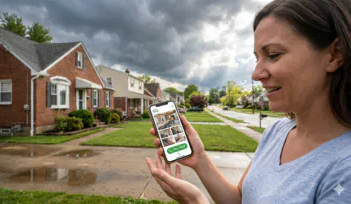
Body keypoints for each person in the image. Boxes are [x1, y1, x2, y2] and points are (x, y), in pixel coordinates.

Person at [146, 0, 351, 203]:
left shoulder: (345, 169)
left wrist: (197, 201)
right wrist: (200, 161)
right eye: (257, 58)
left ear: (335, 54)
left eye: (273, 55)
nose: (256, 74)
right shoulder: (276, 132)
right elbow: (241, 199)